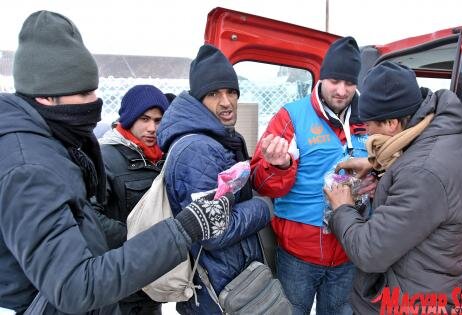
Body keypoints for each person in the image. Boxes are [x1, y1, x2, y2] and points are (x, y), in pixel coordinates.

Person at [0, 10, 234, 314]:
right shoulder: (28, 169)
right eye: (85, 92)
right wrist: (182, 229)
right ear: (46, 97)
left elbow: (81, 224)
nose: (95, 101)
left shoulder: (52, 141)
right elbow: (76, 285)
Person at [325, 61, 462, 314]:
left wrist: (343, 208)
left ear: (392, 124)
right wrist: (376, 166)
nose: (366, 134)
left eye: (369, 127)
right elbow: (413, 162)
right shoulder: (442, 137)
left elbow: (369, 251)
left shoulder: (422, 173)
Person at [250, 36, 371, 314]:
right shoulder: (291, 117)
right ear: (321, 78)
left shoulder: (369, 119)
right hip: (298, 255)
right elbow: (260, 181)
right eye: (334, 81)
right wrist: (278, 166)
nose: (341, 91)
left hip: (349, 251)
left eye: (349, 83)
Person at [157, 44, 272, 315]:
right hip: (216, 289)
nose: (226, 101)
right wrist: (263, 208)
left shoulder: (220, 138)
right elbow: (214, 231)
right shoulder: (197, 149)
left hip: (230, 279)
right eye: (214, 93)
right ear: (199, 99)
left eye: (231, 91)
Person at [96, 84, 169, 314]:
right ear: (128, 119)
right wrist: (135, 241)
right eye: (144, 119)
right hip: (120, 281)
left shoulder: (165, 157)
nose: (151, 128)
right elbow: (89, 217)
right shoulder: (105, 158)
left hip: (153, 278)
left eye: (158, 121)